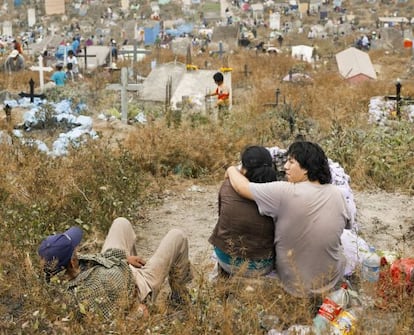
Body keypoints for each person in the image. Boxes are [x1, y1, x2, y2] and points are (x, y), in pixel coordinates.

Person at [225, 141, 351, 297]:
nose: (285, 166)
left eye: (291, 162)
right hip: (329, 281)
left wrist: (231, 169)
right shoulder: (337, 193)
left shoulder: (284, 191)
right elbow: (345, 226)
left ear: (306, 169)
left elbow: (241, 187)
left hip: (293, 285)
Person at [38, 217, 192, 321]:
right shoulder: (93, 289)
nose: (77, 249)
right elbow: (119, 313)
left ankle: (131, 259)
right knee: (177, 236)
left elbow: (94, 260)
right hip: (139, 284)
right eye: (74, 250)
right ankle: (179, 299)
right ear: (71, 261)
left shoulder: (64, 272)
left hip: (116, 266)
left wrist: (125, 258)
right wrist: (138, 311)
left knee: (121, 223)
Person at [209, 146, 278, 277]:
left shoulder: (227, 187)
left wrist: (230, 169)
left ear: (244, 169)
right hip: (261, 266)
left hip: (226, 260)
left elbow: (222, 218)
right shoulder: (277, 196)